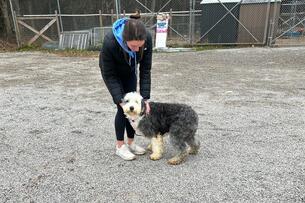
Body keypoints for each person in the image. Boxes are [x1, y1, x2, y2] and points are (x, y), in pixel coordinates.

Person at [99, 12, 153, 160]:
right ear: (125, 39)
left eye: (139, 46)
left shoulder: (147, 38)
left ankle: (131, 142)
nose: (137, 49)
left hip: (129, 69)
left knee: (134, 106)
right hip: (113, 72)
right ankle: (120, 146)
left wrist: (145, 98)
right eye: (133, 46)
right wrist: (119, 98)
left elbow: (145, 70)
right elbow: (109, 74)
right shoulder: (110, 42)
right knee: (123, 106)